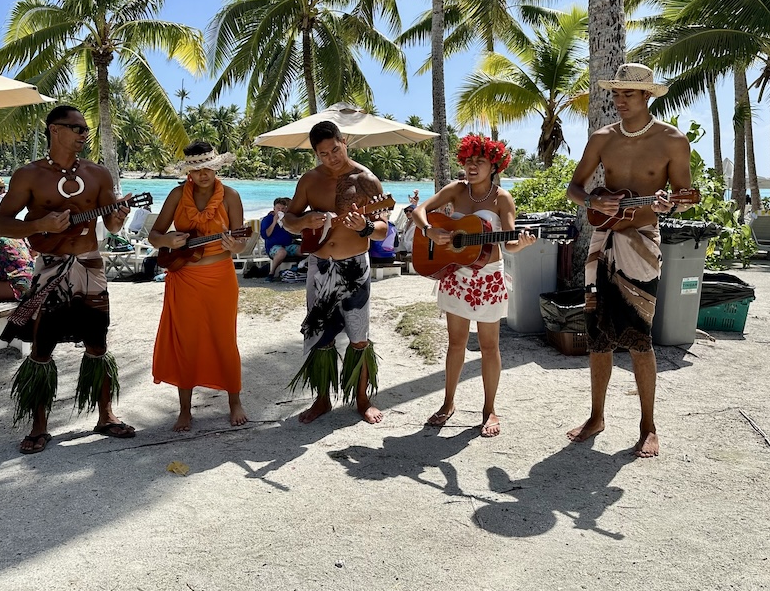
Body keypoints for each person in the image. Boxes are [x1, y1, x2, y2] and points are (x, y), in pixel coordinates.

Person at [564, 63, 693, 459]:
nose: (619, 101)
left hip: (642, 244)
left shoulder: (672, 141)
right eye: (616, 94)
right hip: (603, 242)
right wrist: (592, 200)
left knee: (640, 337)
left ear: (647, 96)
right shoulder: (602, 138)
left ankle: (647, 425)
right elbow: (575, 187)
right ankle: (597, 416)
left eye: (628, 95)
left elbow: (686, 195)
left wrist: (670, 204)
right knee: (597, 335)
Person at [0, 105, 134, 455]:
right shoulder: (28, 175)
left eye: (86, 129)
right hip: (50, 265)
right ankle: (39, 425)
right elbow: (1, 224)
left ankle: (106, 416)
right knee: (42, 346)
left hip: (89, 265)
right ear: (54, 130)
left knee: (98, 344)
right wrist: (40, 225)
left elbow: (113, 227)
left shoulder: (98, 174)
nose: (83, 134)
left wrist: (117, 217)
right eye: (76, 128)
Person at [409, 135, 535, 437]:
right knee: (456, 344)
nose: (472, 166)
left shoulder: (502, 198)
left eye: (479, 161)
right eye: (468, 161)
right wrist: (430, 231)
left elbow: (510, 243)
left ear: (494, 165)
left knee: (490, 347)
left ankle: (489, 409)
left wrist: (524, 244)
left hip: (489, 278)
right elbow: (419, 212)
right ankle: (448, 403)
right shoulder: (456, 190)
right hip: (456, 276)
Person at [281, 121, 389, 425]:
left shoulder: (366, 180)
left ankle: (363, 399)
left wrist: (364, 227)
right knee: (320, 336)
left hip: (354, 266)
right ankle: (322, 400)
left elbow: (382, 230)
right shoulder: (309, 181)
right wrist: (304, 222)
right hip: (319, 267)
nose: (331, 157)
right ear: (316, 153)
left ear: (344, 141)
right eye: (323, 153)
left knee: (359, 338)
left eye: (335, 149)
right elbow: (289, 220)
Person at [150, 141, 249, 431]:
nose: (203, 173)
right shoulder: (177, 194)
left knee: (224, 338)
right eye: (196, 169)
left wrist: (236, 244)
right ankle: (185, 410)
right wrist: (168, 240)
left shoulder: (230, 196)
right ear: (188, 172)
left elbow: (241, 241)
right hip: (184, 277)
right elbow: (155, 235)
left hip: (220, 276)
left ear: (216, 167)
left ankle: (235, 402)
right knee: (186, 342)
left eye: (208, 167)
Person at [260, 196, 302, 282]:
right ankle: (271, 273)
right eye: (278, 208)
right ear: (274, 209)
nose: (280, 210)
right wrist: (274, 222)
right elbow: (265, 235)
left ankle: (298, 269)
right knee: (282, 252)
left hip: (288, 245)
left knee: (304, 250)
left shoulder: (287, 219)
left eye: (283, 209)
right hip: (273, 247)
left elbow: (294, 232)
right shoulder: (267, 219)